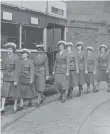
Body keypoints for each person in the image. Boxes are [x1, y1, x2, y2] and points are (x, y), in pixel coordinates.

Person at [0, 42, 20, 113]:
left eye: (10, 49)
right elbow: (4, 68)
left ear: (13, 50)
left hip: (13, 78)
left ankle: (15, 106)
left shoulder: (16, 58)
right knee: (3, 93)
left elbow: (17, 70)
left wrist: (16, 80)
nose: (8, 51)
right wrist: (2, 78)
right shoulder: (5, 58)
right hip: (6, 78)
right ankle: (2, 107)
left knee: (14, 94)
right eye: (8, 49)